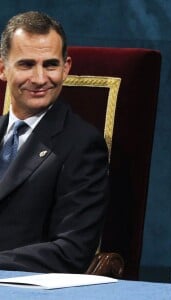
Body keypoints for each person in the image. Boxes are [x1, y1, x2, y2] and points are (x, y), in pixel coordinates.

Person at [0, 11, 109, 273]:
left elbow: (71, 251)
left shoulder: (83, 145)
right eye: (26, 65)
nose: (39, 79)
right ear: (3, 69)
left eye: (50, 65)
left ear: (66, 67)